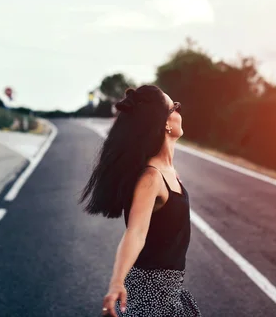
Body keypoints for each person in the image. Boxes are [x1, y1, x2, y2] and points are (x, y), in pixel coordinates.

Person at [79, 85, 201, 317]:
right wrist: (116, 282)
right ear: (164, 122)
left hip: (169, 290)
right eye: (174, 106)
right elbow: (135, 232)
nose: (179, 110)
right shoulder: (151, 178)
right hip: (151, 294)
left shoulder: (168, 171)